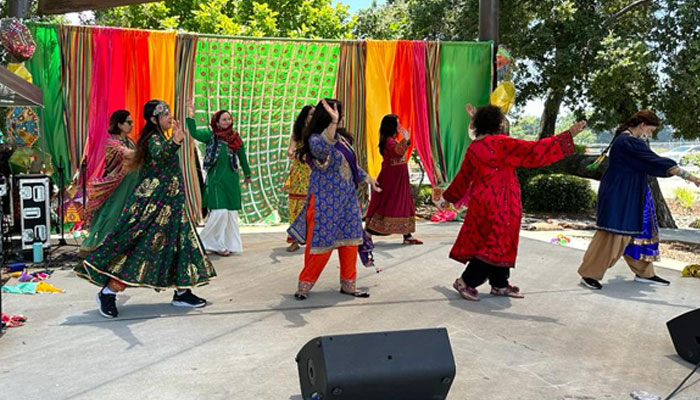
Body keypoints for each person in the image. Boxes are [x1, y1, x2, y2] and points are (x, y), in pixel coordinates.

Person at [75, 100, 216, 319]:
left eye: (170, 113)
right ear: (153, 119)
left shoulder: (162, 138)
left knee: (179, 247)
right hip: (153, 209)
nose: (170, 117)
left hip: (172, 207)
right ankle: (108, 292)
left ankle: (181, 292)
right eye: (165, 114)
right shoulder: (152, 139)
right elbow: (160, 157)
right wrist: (176, 142)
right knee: (139, 251)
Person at [436, 105, 585, 301]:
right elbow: (534, 151)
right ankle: (466, 281)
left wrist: (447, 199)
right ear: (497, 124)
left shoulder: (475, 148)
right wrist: (567, 136)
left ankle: (500, 283)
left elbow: (463, 179)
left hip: (483, 202)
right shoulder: (501, 143)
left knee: (499, 239)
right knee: (497, 242)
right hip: (502, 202)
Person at [578, 110, 700, 290]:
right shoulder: (628, 142)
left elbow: (650, 162)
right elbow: (657, 162)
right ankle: (589, 274)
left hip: (630, 192)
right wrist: (693, 178)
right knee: (614, 234)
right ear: (642, 125)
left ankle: (645, 273)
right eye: (650, 130)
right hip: (619, 194)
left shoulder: (628, 140)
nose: (650, 133)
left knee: (638, 232)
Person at [287, 99, 381, 300]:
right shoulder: (314, 140)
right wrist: (332, 123)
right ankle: (304, 286)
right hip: (324, 204)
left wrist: (368, 179)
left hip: (347, 202)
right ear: (328, 117)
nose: (342, 118)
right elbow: (322, 152)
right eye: (338, 115)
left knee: (349, 244)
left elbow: (350, 166)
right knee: (320, 247)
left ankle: (349, 284)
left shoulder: (342, 139)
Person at [186, 103, 252, 256]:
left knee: (230, 214)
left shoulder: (235, 138)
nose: (227, 122)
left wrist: (247, 174)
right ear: (216, 122)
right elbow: (194, 132)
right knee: (220, 212)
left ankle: (229, 244)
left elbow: (242, 157)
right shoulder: (211, 136)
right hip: (216, 181)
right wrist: (191, 115)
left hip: (232, 179)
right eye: (224, 119)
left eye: (229, 119)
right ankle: (206, 243)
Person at [79, 110, 140, 257]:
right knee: (109, 216)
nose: (131, 125)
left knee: (124, 216)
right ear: (119, 124)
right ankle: (97, 247)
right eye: (128, 122)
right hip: (116, 188)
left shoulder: (130, 141)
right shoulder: (112, 143)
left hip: (129, 187)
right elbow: (128, 154)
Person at [364, 114, 422, 245]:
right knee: (387, 204)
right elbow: (397, 152)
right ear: (391, 126)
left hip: (398, 179)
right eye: (397, 123)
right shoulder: (388, 141)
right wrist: (406, 139)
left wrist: (405, 140)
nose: (399, 125)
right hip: (391, 179)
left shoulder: (391, 140)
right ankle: (368, 232)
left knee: (402, 203)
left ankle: (407, 234)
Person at [283, 105, 314, 252]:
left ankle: (314, 238)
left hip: (314, 172)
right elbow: (290, 150)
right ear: (304, 116)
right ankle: (295, 240)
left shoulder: (319, 132)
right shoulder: (298, 132)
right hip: (299, 172)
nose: (312, 117)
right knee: (297, 204)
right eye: (310, 115)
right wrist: (294, 153)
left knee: (313, 205)